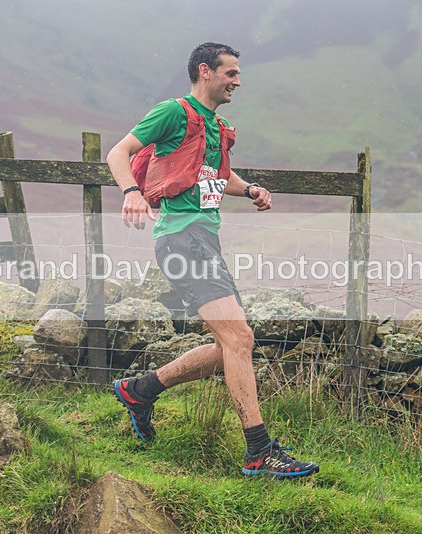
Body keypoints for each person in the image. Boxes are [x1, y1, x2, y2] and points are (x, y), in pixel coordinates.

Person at [106, 42, 319, 478]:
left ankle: (139, 391)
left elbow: (216, 175)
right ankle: (259, 451)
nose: (238, 81)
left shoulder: (216, 126)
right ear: (206, 71)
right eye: (231, 73)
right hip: (180, 240)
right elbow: (117, 152)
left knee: (230, 345)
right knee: (239, 339)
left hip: (204, 240)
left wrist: (250, 189)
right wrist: (131, 192)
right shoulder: (173, 112)